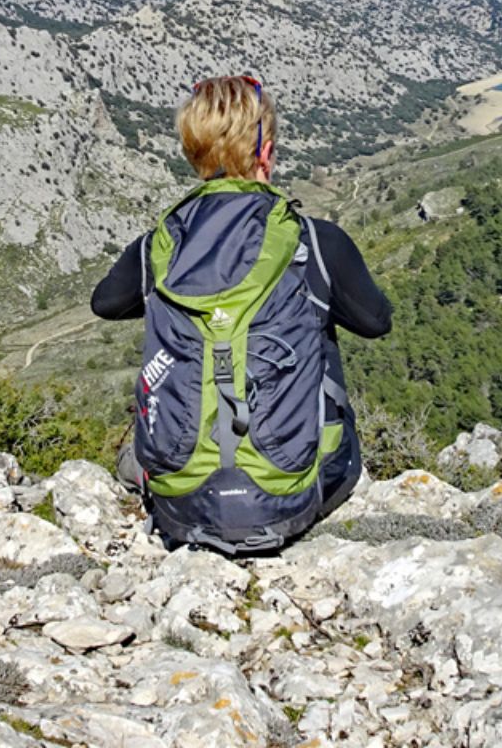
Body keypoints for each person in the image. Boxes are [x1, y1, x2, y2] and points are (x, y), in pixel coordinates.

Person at [90, 74, 391, 554]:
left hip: (178, 504)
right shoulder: (313, 240)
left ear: (195, 154)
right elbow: (377, 322)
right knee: (319, 319)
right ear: (266, 152)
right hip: (292, 500)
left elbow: (105, 303)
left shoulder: (158, 245)